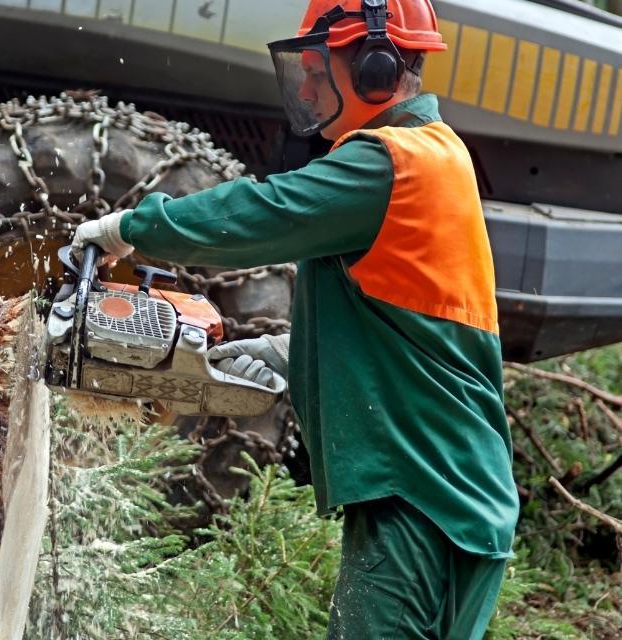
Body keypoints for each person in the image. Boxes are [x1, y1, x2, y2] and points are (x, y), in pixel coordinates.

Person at [72, 0, 520, 637]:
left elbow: (260, 216)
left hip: (422, 501)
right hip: (448, 493)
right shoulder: (434, 155)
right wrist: (293, 352)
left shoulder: (388, 162)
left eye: (317, 69)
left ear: (374, 68)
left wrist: (128, 229)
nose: (306, 88)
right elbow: (415, 331)